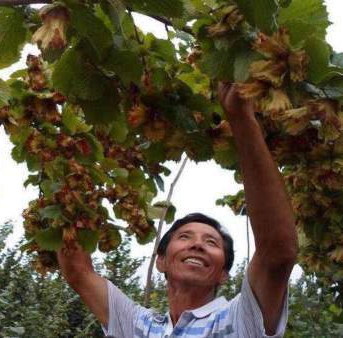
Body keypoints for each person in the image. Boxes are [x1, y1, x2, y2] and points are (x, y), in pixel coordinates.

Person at [57, 83, 298, 337]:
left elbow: (278, 254)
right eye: (185, 237)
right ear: (160, 261)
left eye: (212, 243)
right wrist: (68, 160)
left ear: (224, 274)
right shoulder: (137, 326)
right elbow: (78, 271)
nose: (197, 245)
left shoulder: (238, 322)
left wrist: (241, 117)